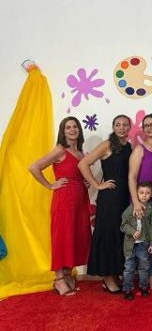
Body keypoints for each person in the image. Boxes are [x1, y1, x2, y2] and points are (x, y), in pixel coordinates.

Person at [28, 116, 90, 296]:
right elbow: (34, 167)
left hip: (80, 200)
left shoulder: (81, 153)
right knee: (62, 237)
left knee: (76, 236)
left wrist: (85, 182)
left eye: (75, 126)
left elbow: (79, 174)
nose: (72, 130)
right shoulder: (60, 150)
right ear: (63, 132)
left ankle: (67, 273)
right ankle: (59, 279)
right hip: (64, 201)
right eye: (68, 127)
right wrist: (50, 185)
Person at [78, 114, 132, 294]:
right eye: (118, 124)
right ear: (113, 127)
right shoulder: (107, 144)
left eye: (125, 125)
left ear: (129, 127)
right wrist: (96, 184)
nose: (121, 128)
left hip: (123, 197)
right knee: (108, 234)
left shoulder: (128, 147)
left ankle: (114, 273)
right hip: (109, 198)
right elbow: (83, 164)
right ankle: (107, 277)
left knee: (118, 234)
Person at [127, 113, 152, 290]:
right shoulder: (139, 150)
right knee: (141, 241)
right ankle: (137, 277)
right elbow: (132, 177)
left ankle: (151, 277)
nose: (149, 128)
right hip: (142, 203)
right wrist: (136, 202)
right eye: (146, 125)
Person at [120, 181, 152, 300]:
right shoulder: (130, 208)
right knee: (129, 268)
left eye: (147, 193)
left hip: (143, 244)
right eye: (141, 192)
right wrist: (132, 232)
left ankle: (143, 287)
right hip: (130, 245)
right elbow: (123, 225)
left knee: (144, 267)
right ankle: (127, 289)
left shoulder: (150, 210)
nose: (144, 195)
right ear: (136, 193)